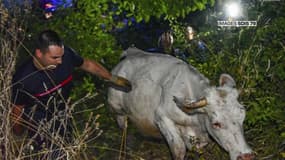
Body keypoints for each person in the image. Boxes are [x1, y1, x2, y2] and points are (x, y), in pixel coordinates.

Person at [10, 29, 131, 157]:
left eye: (61, 56)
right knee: (55, 154)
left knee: (70, 148)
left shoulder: (66, 54)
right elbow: (17, 109)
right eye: (55, 57)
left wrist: (112, 78)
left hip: (64, 116)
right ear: (39, 53)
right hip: (40, 124)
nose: (60, 61)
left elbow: (87, 64)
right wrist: (18, 134)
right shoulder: (24, 78)